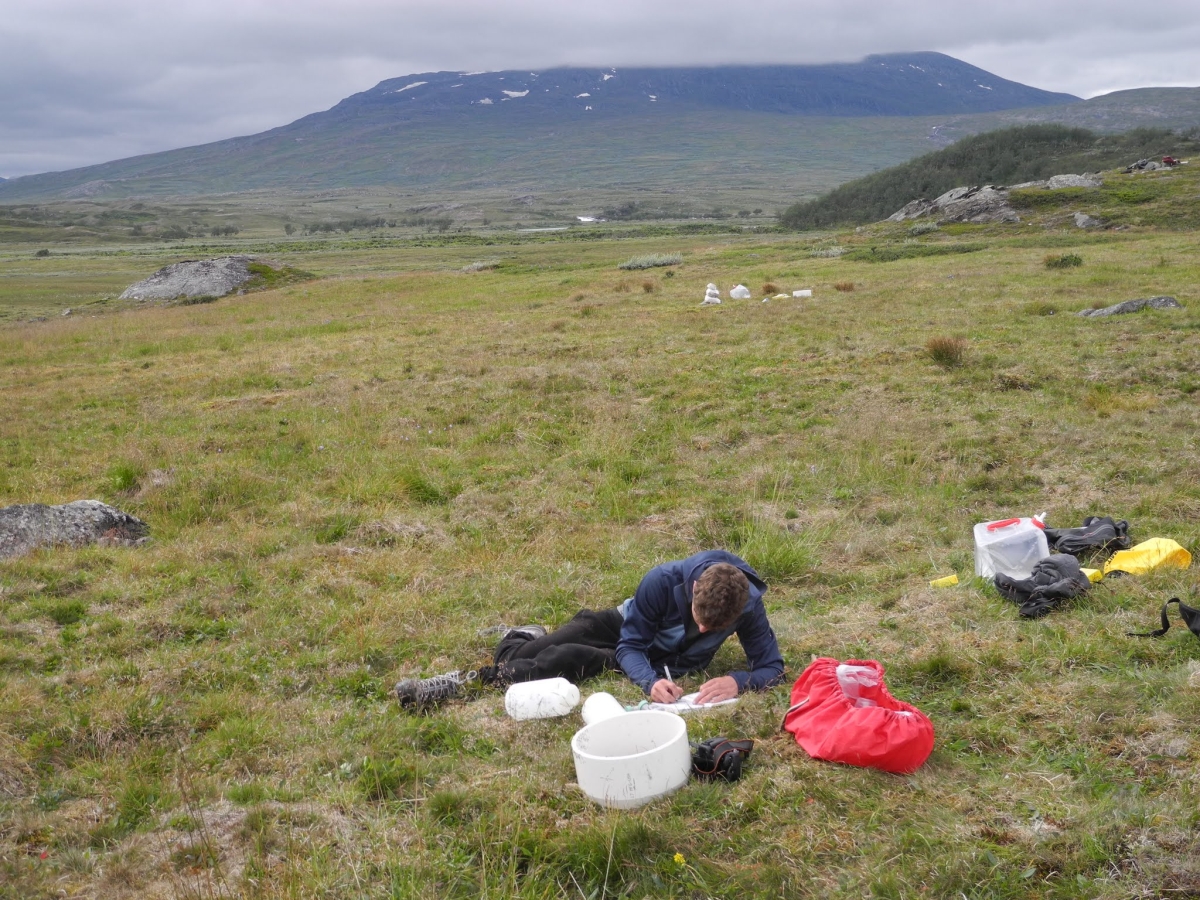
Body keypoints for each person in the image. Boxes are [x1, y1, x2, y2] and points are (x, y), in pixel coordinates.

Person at [395, 550, 785, 708]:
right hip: (623, 627)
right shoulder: (661, 581)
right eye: (698, 618)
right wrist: (649, 681)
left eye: (713, 628)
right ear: (694, 588)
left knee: (564, 660)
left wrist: (738, 680)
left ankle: (463, 684)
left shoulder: (747, 603)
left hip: (657, 659)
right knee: (528, 652)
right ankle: (521, 635)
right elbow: (631, 644)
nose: (701, 629)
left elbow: (773, 667)